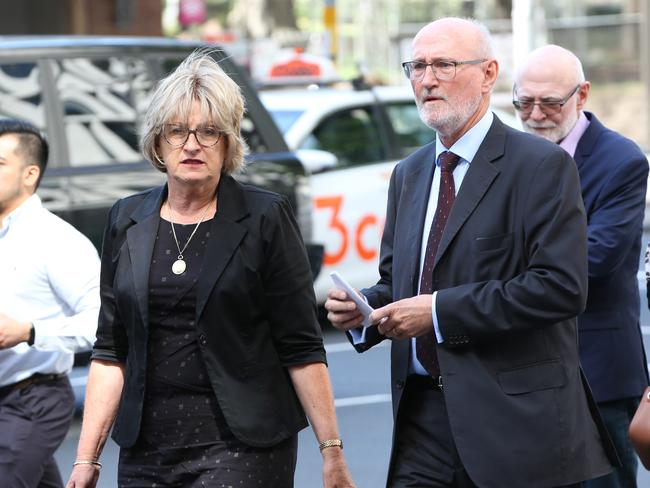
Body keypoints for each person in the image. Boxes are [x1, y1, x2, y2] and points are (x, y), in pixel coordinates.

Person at [325, 18, 618, 488]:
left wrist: (439, 312)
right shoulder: (410, 173)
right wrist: (363, 310)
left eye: (443, 64)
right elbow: (400, 282)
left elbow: (561, 288)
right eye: (416, 66)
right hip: (421, 420)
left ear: (488, 74)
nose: (427, 79)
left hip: (513, 428)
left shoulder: (541, 165)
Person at [66, 51, 355, 488]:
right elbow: (111, 349)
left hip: (244, 444)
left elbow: (301, 346)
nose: (192, 144)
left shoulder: (264, 216)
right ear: (158, 143)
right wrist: (87, 460)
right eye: (178, 131)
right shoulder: (127, 219)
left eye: (209, 132)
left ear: (229, 142)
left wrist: (331, 452)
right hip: (147, 447)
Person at [514, 44, 649, 488]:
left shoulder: (621, 161)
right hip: (520, 374)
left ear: (583, 95)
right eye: (524, 102)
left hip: (599, 373)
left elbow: (596, 259)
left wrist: (502, 268)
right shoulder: (509, 156)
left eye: (550, 102)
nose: (535, 115)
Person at [0, 119, 100, 487]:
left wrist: (29, 331)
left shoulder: (57, 241)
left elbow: (100, 322)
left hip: (31, 399)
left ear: (29, 174)